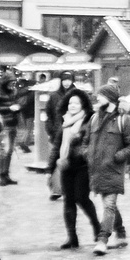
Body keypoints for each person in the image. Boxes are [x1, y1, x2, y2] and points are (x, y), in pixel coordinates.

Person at [87, 79, 130, 255]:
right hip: (97, 170)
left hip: (114, 169)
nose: (97, 98)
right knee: (110, 205)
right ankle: (121, 233)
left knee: (109, 205)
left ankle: (102, 240)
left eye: (100, 96)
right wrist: (87, 153)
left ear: (109, 98)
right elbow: (86, 141)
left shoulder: (124, 120)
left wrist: (117, 157)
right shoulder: (94, 118)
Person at [57, 98, 101, 250]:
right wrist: (51, 165)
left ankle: (97, 227)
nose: (73, 105)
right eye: (70, 103)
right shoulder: (65, 121)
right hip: (66, 165)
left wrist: (80, 141)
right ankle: (72, 237)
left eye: (76, 103)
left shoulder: (89, 120)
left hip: (83, 165)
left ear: (82, 105)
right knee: (68, 200)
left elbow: (93, 141)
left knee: (81, 198)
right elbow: (58, 144)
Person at [45, 72, 90, 201]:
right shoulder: (54, 96)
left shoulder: (78, 95)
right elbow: (48, 115)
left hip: (74, 132)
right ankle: (56, 189)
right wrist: (51, 130)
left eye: (69, 80)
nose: (66, 82)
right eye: (64, 80)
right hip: (58, 132)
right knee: (57, 159)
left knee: (71, 161)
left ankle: (70, 189)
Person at [0, 64, 23, 185]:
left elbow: (16, 103)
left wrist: (18, 108)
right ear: (5, 82)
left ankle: (6, 174)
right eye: (11, 83)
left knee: (9, 151)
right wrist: (9, 108)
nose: (12, 85)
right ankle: (1, 176)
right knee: (4, 150)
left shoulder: (14, 91)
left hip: (12, 124)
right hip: (3, 125)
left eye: (14, 83)